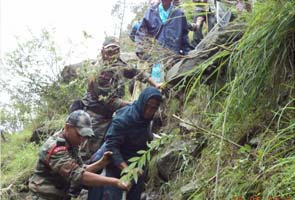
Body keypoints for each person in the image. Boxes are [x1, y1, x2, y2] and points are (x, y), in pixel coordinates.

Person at [80, 37, 161, 160]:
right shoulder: (100, 72)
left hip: (109, 116)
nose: (113, 55)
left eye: (116, 50)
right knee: (89, 151)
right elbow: (110, 101)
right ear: (103, 52)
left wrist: (154, 83)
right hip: (96, 116)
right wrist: (135, 105)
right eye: (109, 51)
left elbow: (134, 72)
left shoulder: (118, 64)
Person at [29, 110, 129, 200]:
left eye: (85, 137)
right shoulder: (55, 148)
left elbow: (81, 169)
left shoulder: (72, 143)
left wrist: (101, 163)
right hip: (43, 196)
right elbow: (78, 176)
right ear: (67, 127)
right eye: (79, 135)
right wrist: (115, 182)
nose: (82, 140)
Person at [88, 87, 162, 200]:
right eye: (147, 106)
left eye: (153, 108)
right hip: (113, 165)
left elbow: (142, 136)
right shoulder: (124, 118)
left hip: (135, 167)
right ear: (142, 102)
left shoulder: (146, 120)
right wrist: (127, 170)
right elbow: (112, 146)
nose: (148, 111)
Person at [135, 0, 193, 82]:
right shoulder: (151, 13)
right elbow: (141, 34)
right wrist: (143, 53)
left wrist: (188, 55)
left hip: (173, 61)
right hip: (154, 61)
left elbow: (184, 39)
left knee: (171, 88)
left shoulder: (179, 14)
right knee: (155, 90)